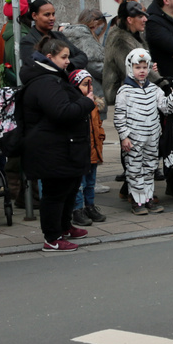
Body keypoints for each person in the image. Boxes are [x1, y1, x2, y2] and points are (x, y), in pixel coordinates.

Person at [18, 37, 97, 251]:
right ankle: (52, 238)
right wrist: (86, 102)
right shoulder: (45, 81)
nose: (67, 62)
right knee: (55, 192)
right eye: (63, 57)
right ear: (49, 57)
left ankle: (64, 227)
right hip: (50, 148)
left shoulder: (52, 77)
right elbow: (62, 112)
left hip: (62, 146)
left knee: (69, 187)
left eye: (68, 57)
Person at [113, 48, 173, 215]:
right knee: (134, 169)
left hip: (152, 137)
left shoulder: (154, 89)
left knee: (150, 167)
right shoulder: (124, 91)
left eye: (145, 67)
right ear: (130, 68)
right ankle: (137, 201)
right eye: (138, 67)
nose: (142, 71)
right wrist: (124, 137)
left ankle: (148, 198)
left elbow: (167, 107)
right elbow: (119, 117)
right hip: (134, 139)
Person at [69, 69, 106, 226]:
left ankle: (90, 206)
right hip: (81, 152)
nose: (90, 87)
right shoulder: (76, 105)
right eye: (85, 84)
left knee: (91, 183)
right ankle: (77, 209)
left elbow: (98, 125)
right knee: (79, 184)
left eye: (91, 84)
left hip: (93, 151)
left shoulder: (94, 105)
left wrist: (100, 138)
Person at [102, 0, 157, 106]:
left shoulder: (134, 34)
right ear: (129, 20)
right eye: (140, 17)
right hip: (123, 99)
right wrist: (162, 84)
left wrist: (151, 67)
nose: (145, 19)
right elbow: (134, 70)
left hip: (134, 95)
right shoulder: (120, 39)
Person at [18, 0, 88, 74]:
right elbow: (34, 67)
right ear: (34, 16)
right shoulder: (28, 41)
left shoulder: (59, 36)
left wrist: (67, 63)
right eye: (47, 15)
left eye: (53, 14)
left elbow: (82, 56)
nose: (52, 18)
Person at [64, 9, 108, 90]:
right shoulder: (84, 38)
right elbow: (94, 66)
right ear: (93, 25)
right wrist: (114, 72)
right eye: (100, 27)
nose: (101, 31)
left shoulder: (76, 35)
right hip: (92, 87)